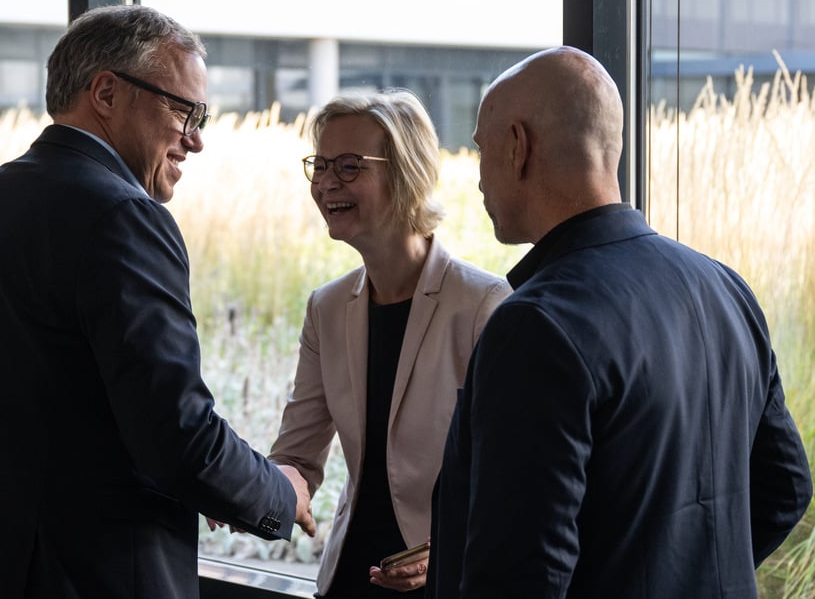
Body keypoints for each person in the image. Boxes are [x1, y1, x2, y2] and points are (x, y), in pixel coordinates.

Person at [0, 4, 314, 599]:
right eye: (183, 110)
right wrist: (278, 492)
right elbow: (177, 438)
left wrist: (213, 481)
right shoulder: (123, 216)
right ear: (108, 93)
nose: (195, 139)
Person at [427, 45, 813, 598]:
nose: (478, 179)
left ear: (518, 146)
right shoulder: (726, 287)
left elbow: (518, 579)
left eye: (481, 149)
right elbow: (785, 489)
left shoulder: (538, 325)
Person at [266, 89, 512, 597]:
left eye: (350, 166)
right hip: (348, 578)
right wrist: (247, 492)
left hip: (447, 579)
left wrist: (448, 545)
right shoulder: (326, 308)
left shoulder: (484, 304)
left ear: (406, 175)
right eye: (321, 164)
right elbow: (298, 454)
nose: (326, 182)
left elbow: (510, 476)